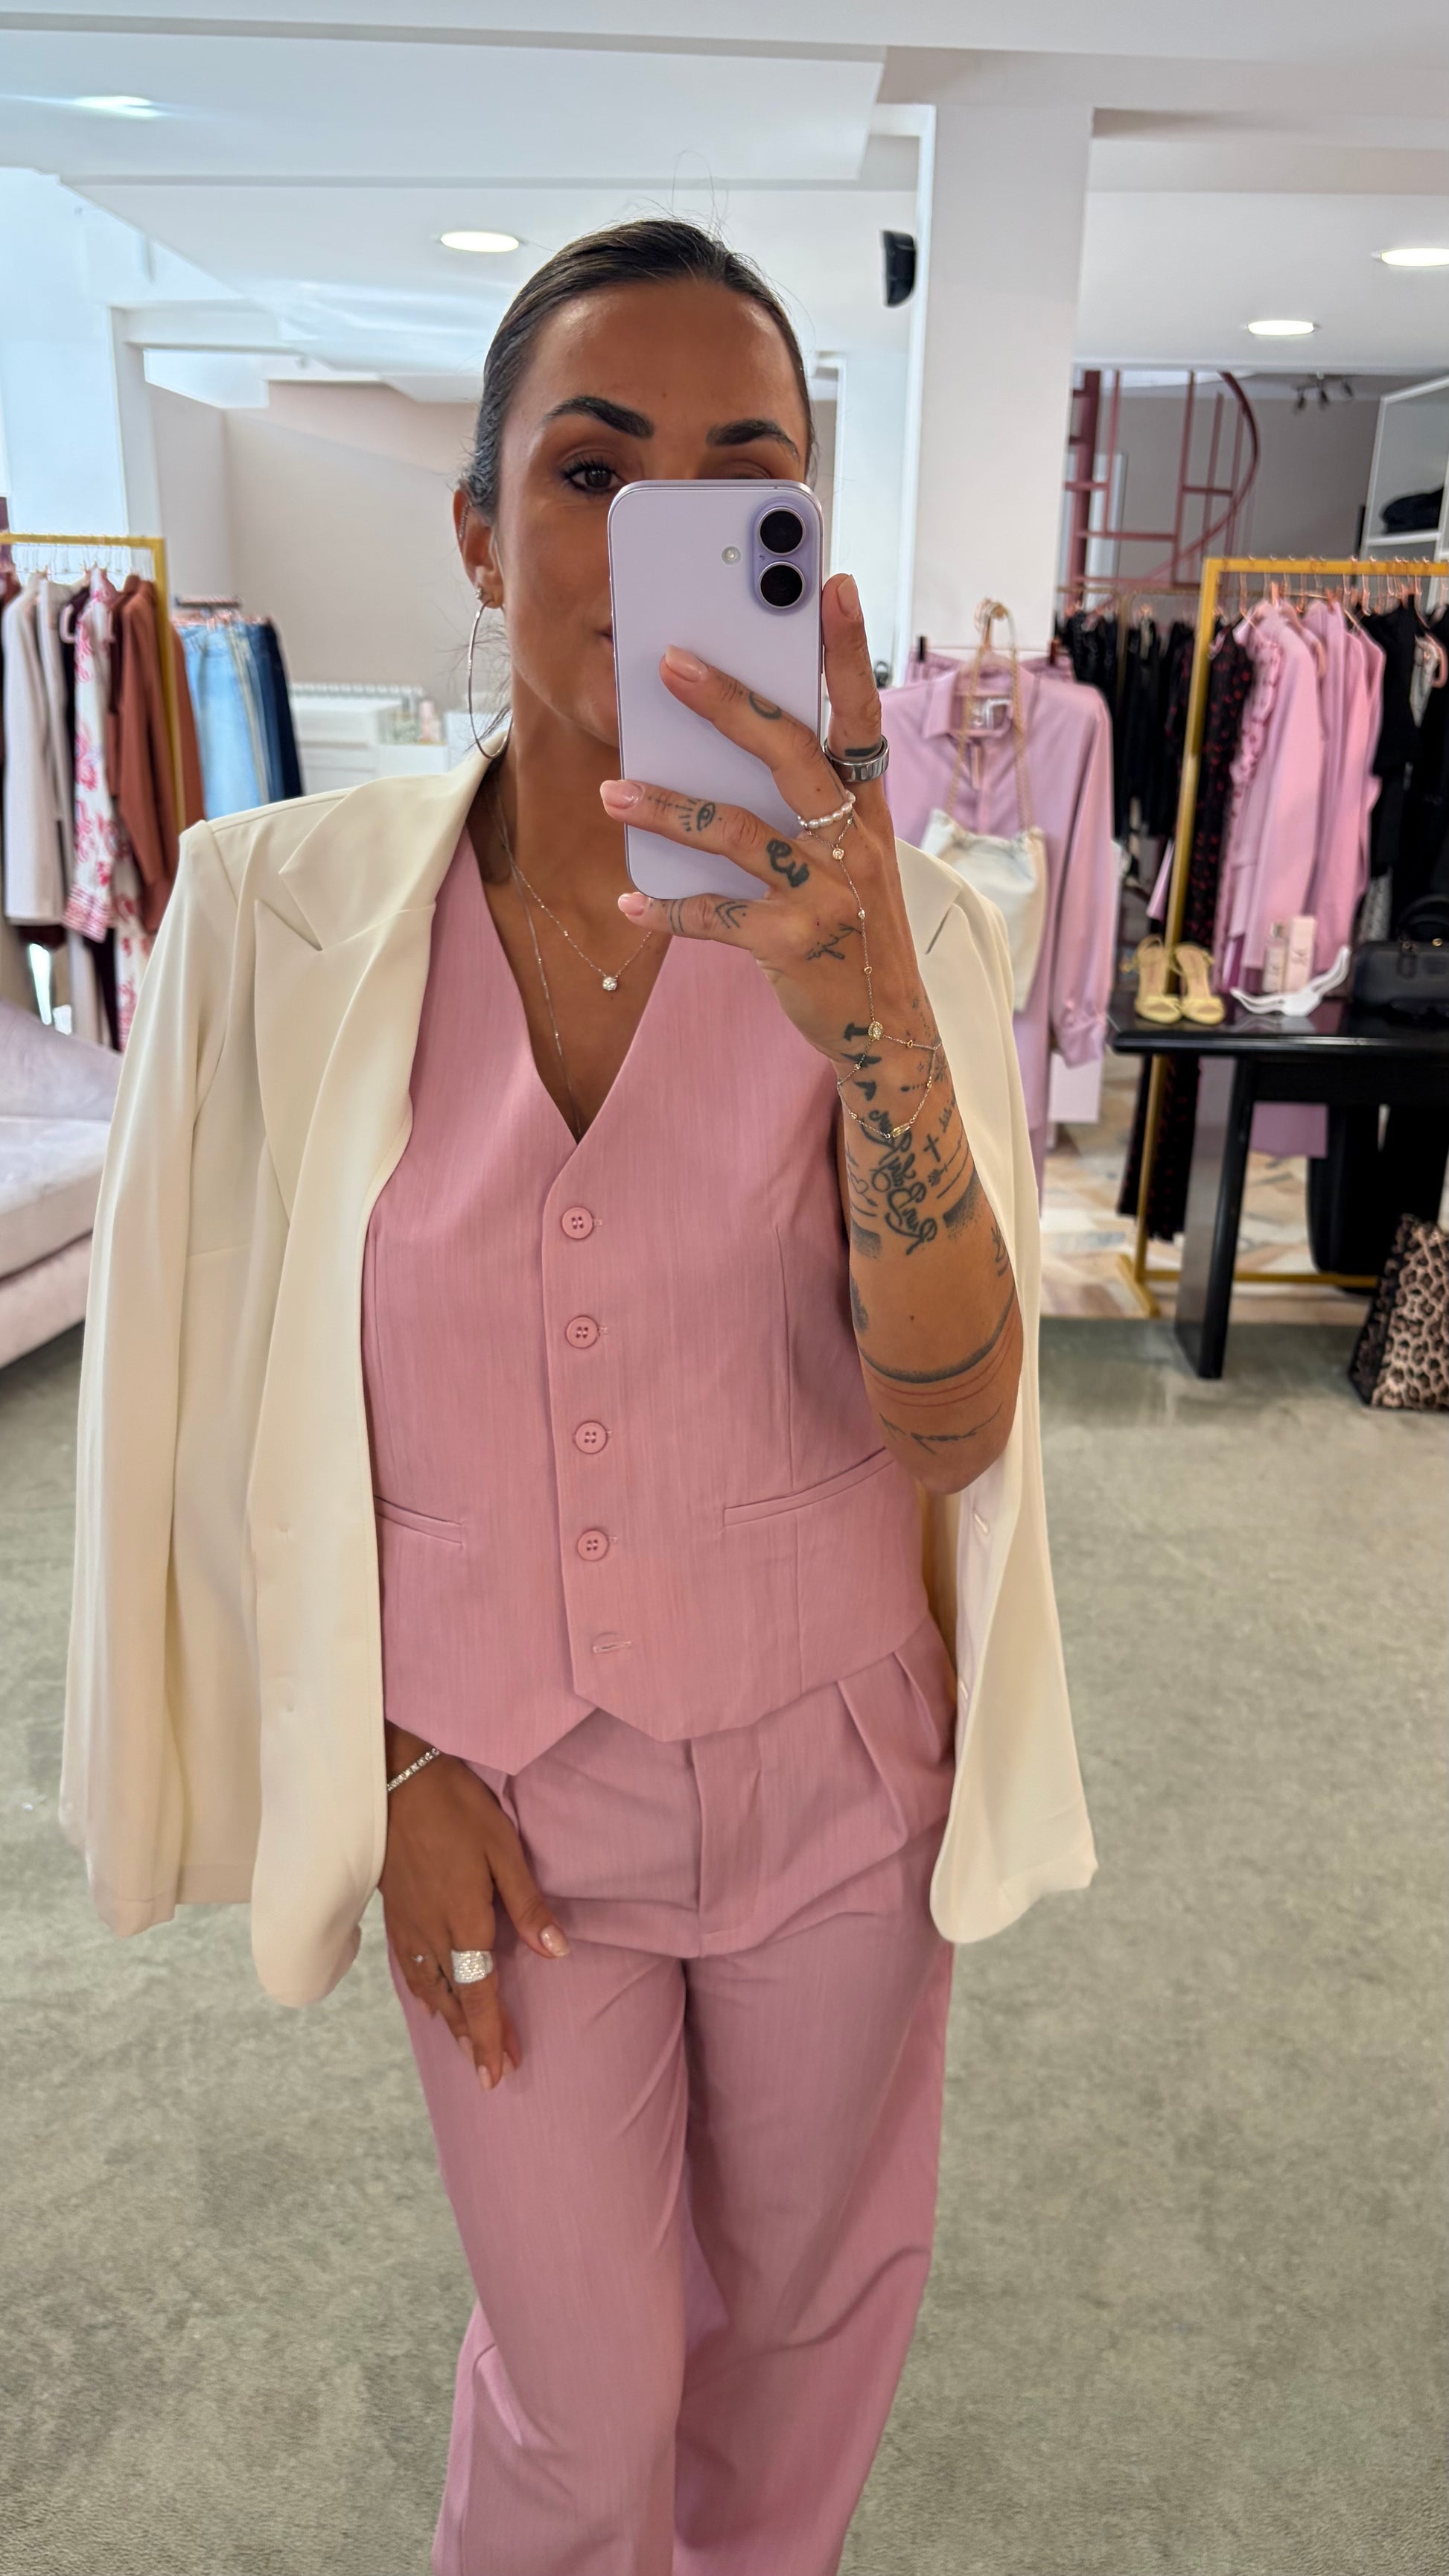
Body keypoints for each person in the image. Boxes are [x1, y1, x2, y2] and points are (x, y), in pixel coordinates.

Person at [63, 220, 1096, 2576]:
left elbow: (956, 1427)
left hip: (837, 1770)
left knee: (806, 2329)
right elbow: (219, 1402)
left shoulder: (909, 925)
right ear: (476, 528)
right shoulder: (273, 914)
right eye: (593, 472)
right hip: (498, 1798)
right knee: (583, 2400)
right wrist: (375, 1758)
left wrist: (871, 1021)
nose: (660, 540)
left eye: (743, 485)